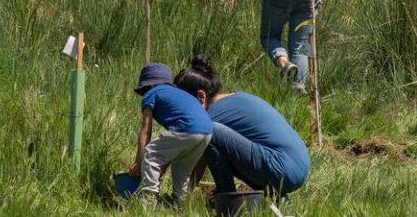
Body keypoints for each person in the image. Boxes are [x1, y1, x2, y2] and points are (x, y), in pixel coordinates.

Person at [174, 55, 310, 197]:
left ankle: (226, 198)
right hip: (299, 170)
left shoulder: (210, 117)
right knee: (226, 149)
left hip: (282, 169)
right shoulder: (239, 97)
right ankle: (278, 198)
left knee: (209, 130)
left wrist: (182, 194)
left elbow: (198, 165)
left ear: (200, 97)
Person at [128, 63, 212, 204]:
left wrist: (138, 162)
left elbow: (146, 130)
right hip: (207, 130)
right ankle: (179, 203)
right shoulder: (180, 94)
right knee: (182, 169)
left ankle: (148, 200)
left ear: (146, 86)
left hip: (188, 128)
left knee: (151, 154)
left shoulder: (151, 94)